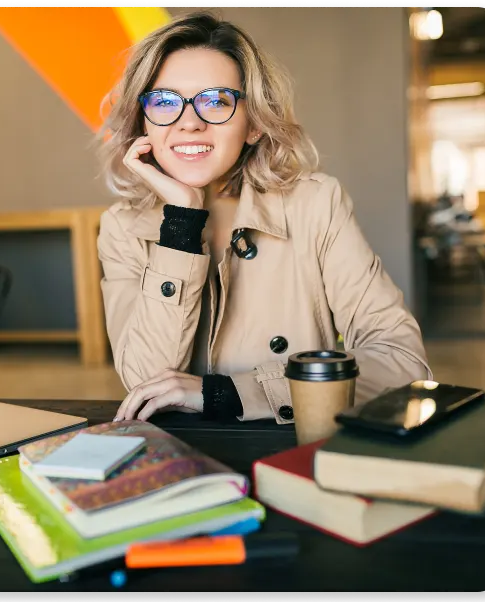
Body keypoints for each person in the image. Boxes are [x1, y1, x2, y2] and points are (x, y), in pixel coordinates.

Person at [97, 12, 432, 424]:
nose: (189, 123)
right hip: (183, 462)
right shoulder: (121, 227)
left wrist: (230, 393)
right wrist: (181, 222)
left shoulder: (315, 204)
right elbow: (144, 382)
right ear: (143, 120)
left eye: (216, 100)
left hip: (294, 445)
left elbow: (402, 361)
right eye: (164, 102)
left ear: (253, 123)